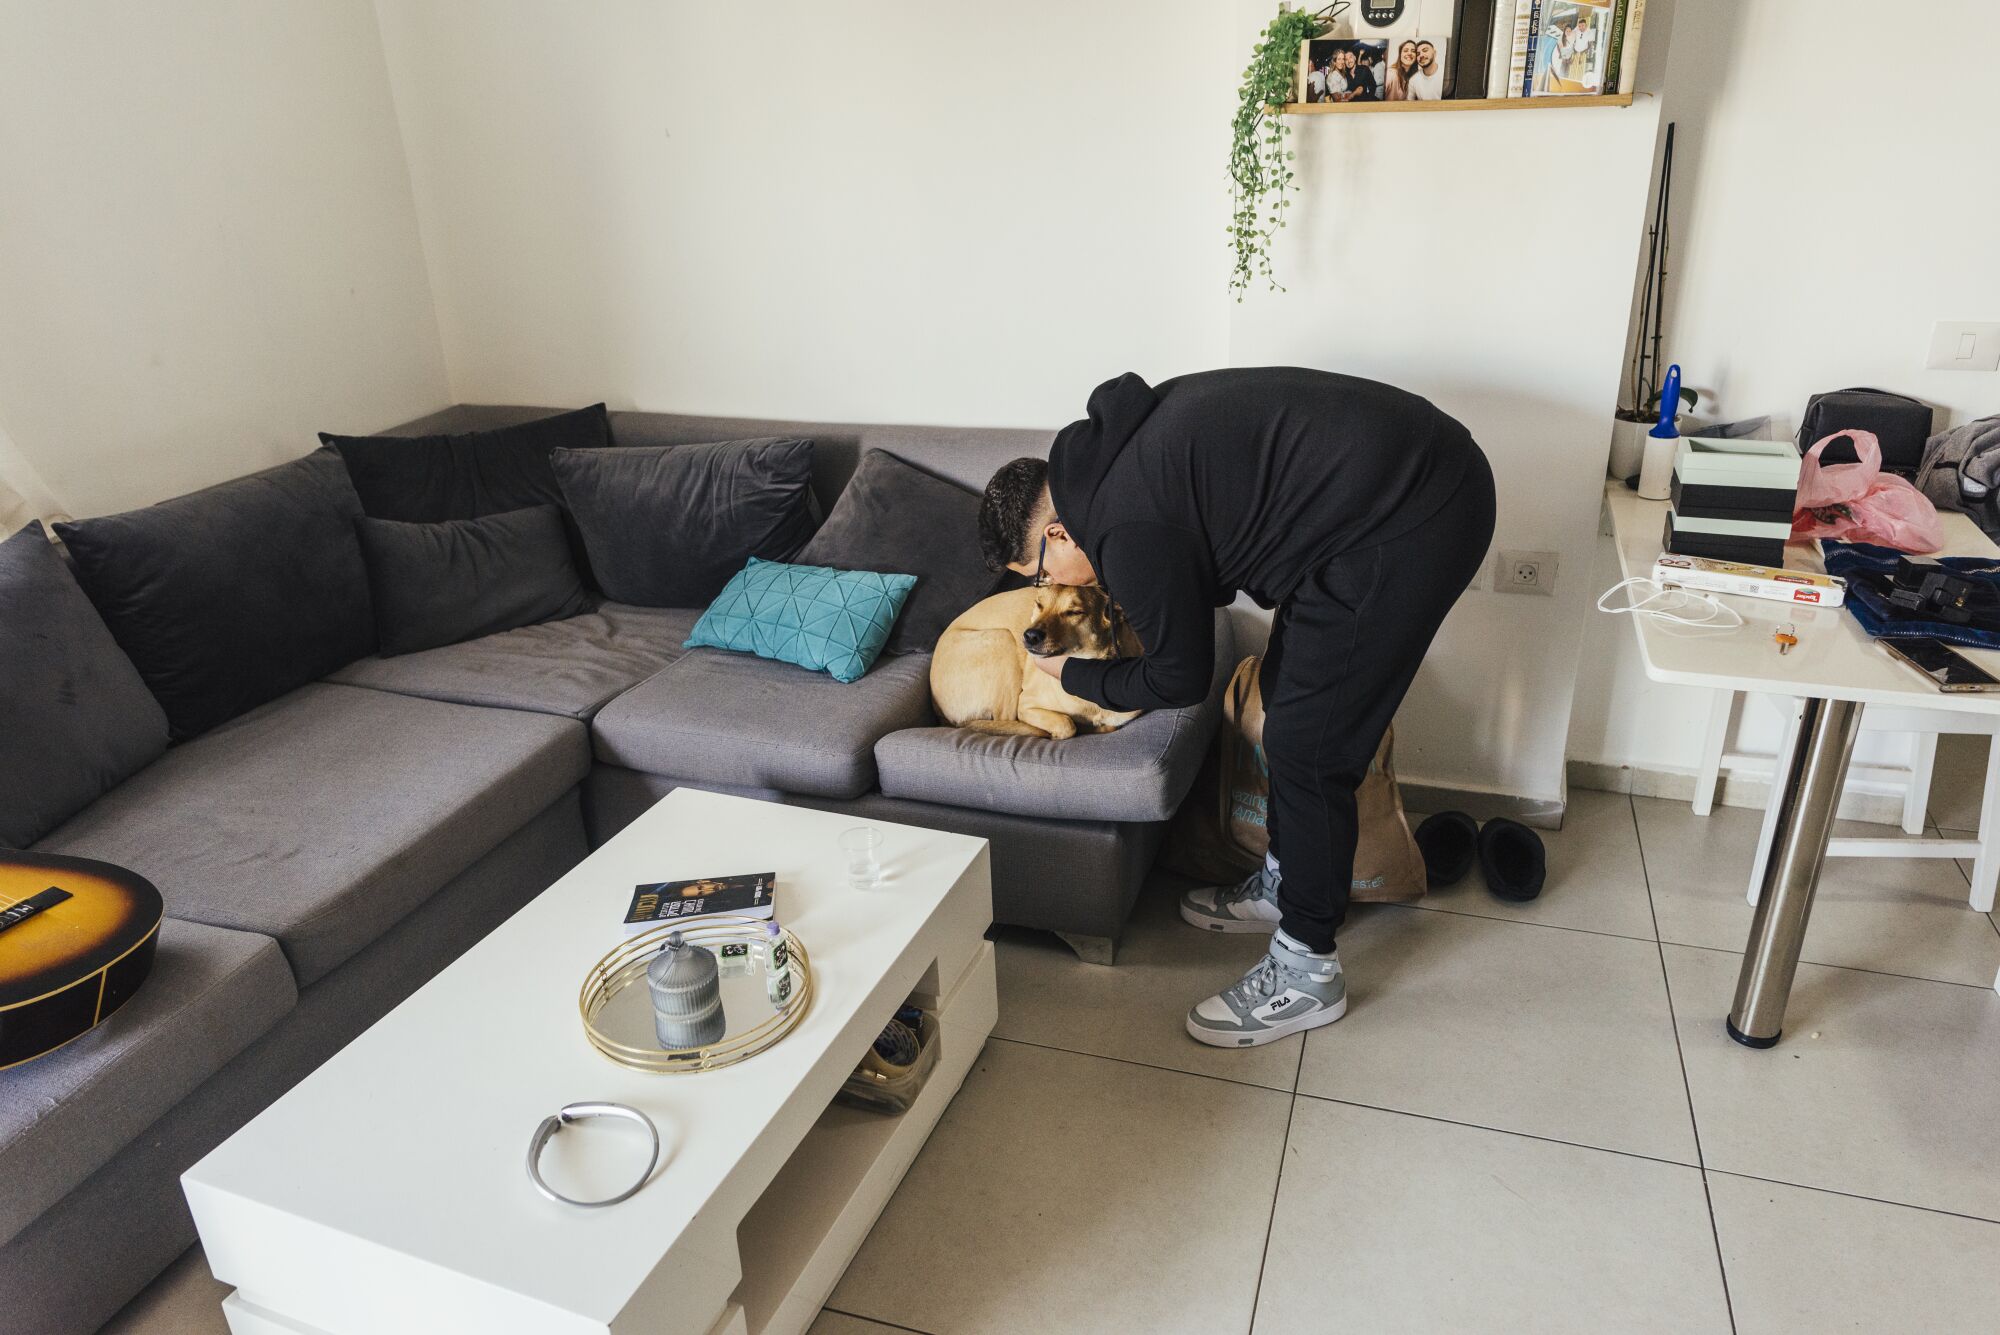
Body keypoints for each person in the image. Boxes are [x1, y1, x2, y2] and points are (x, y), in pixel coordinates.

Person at [976, 369, 1495, 1048]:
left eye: (1040, 574)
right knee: (1285, 697)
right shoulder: (1106, 467)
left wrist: (1074, 675)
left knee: (1311, 747)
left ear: (1058, 534)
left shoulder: (1123, 526)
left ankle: (1308, 969)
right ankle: (1289, 880)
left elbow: (1180, 676)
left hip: (1414, 512)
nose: (1049, 586)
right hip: (1371, 508)